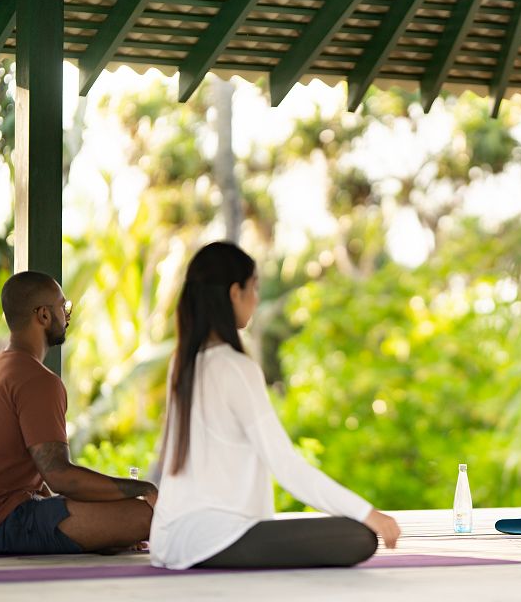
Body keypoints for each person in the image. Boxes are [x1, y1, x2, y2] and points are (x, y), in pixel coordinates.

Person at [150, 242, 401, 570]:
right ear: (234, 293)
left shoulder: (183, 363)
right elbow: (285, 465)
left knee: (349, 532)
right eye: (254, 287)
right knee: (358, 536)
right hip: (216, 537)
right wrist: (368, 513)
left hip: (170, 539)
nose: (256, 299)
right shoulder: (235, 367)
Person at [0, 271, 158, 554]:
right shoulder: (38, 380)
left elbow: (39, 480)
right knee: (145, 515)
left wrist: (98, 527)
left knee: (112, 515)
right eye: (64, 307)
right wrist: (143, 489)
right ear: (43, 315)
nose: (67, 316)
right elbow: (60, 476)